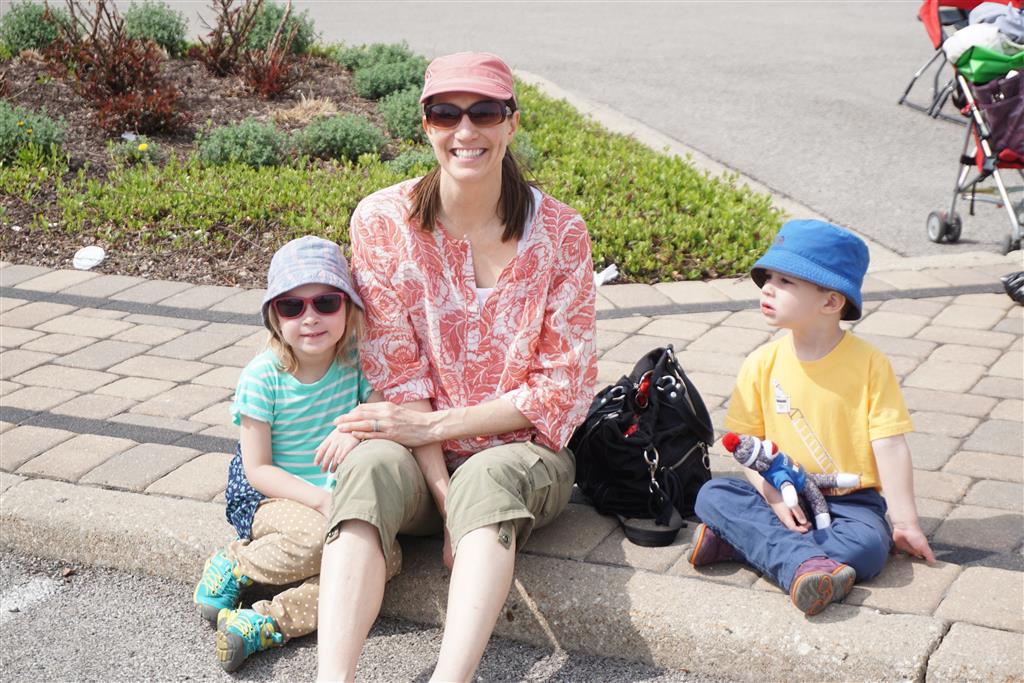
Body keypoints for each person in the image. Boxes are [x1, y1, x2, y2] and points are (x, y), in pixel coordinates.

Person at [316, 52, 597, 682]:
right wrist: (445, 495)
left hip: (522, 454)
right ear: (426, 125)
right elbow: (400, 373)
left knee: (488, 479)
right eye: (446, 113)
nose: (465, 130)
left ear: (511, 122)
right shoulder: (382, 222)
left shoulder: (561, 233)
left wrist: (437, 430)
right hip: (422, 459)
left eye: (485, 112)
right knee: (366, 467)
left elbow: (559, 388)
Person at [689, 219, 936, 616]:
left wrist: (905, 524)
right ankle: (803, 563)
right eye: (768, 277)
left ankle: (746, 543)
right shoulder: (761, 363)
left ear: (831, 302)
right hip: (781, 490)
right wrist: (772, 496)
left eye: (786, 281)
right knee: (711, 494)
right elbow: (746, 448)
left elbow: (889, 444)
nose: (767, 288)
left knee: (868, 549)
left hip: (852, 503)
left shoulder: (869, 364)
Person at [193, 236, 374, 671]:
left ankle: (265, 622)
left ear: (348, 308)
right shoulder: (263, 376)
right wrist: (319, 499)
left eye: (326, 303)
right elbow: (258, 468)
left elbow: (380, 408)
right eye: (292, 307)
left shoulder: (356, 362)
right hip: (271, 496)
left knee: (380, 563)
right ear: (275, 316)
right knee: (318, 539)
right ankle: (236, 563)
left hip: (332, 498)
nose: (310, 318)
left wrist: (355, 429)